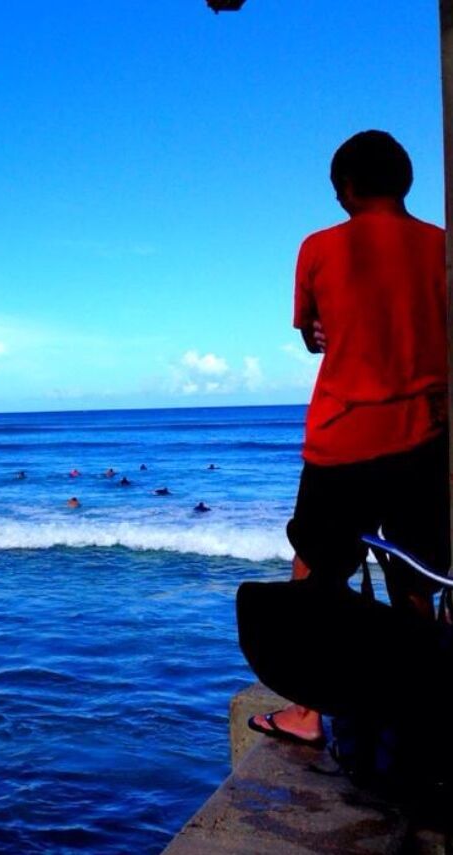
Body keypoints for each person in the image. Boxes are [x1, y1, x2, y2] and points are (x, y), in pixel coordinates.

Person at [248, 130, 449, 748]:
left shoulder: (319, 246)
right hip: (425, 435)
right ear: (405, 181)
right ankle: (420, 708)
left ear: (347, 188)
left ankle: (306, 712)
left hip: (343, 436)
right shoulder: (442, 246)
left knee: (315, 569)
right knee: (415, 573)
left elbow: (314, 334)